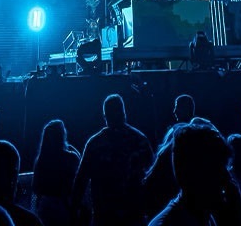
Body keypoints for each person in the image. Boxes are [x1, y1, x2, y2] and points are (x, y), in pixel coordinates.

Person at [71, 94, 155, 226]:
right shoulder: (139, 139)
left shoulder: (95, 143)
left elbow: (81, 179)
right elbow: (152, 175)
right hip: (133, 213)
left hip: (104, 214)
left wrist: (74, 208)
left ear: (105, 116)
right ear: (124, 113)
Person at [31, 120, 79, 226]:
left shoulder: (41, 160)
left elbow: (35, 187)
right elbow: (78, 179)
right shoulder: (70, 157)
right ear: (63, 135)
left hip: (45, 206)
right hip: (64, 205)